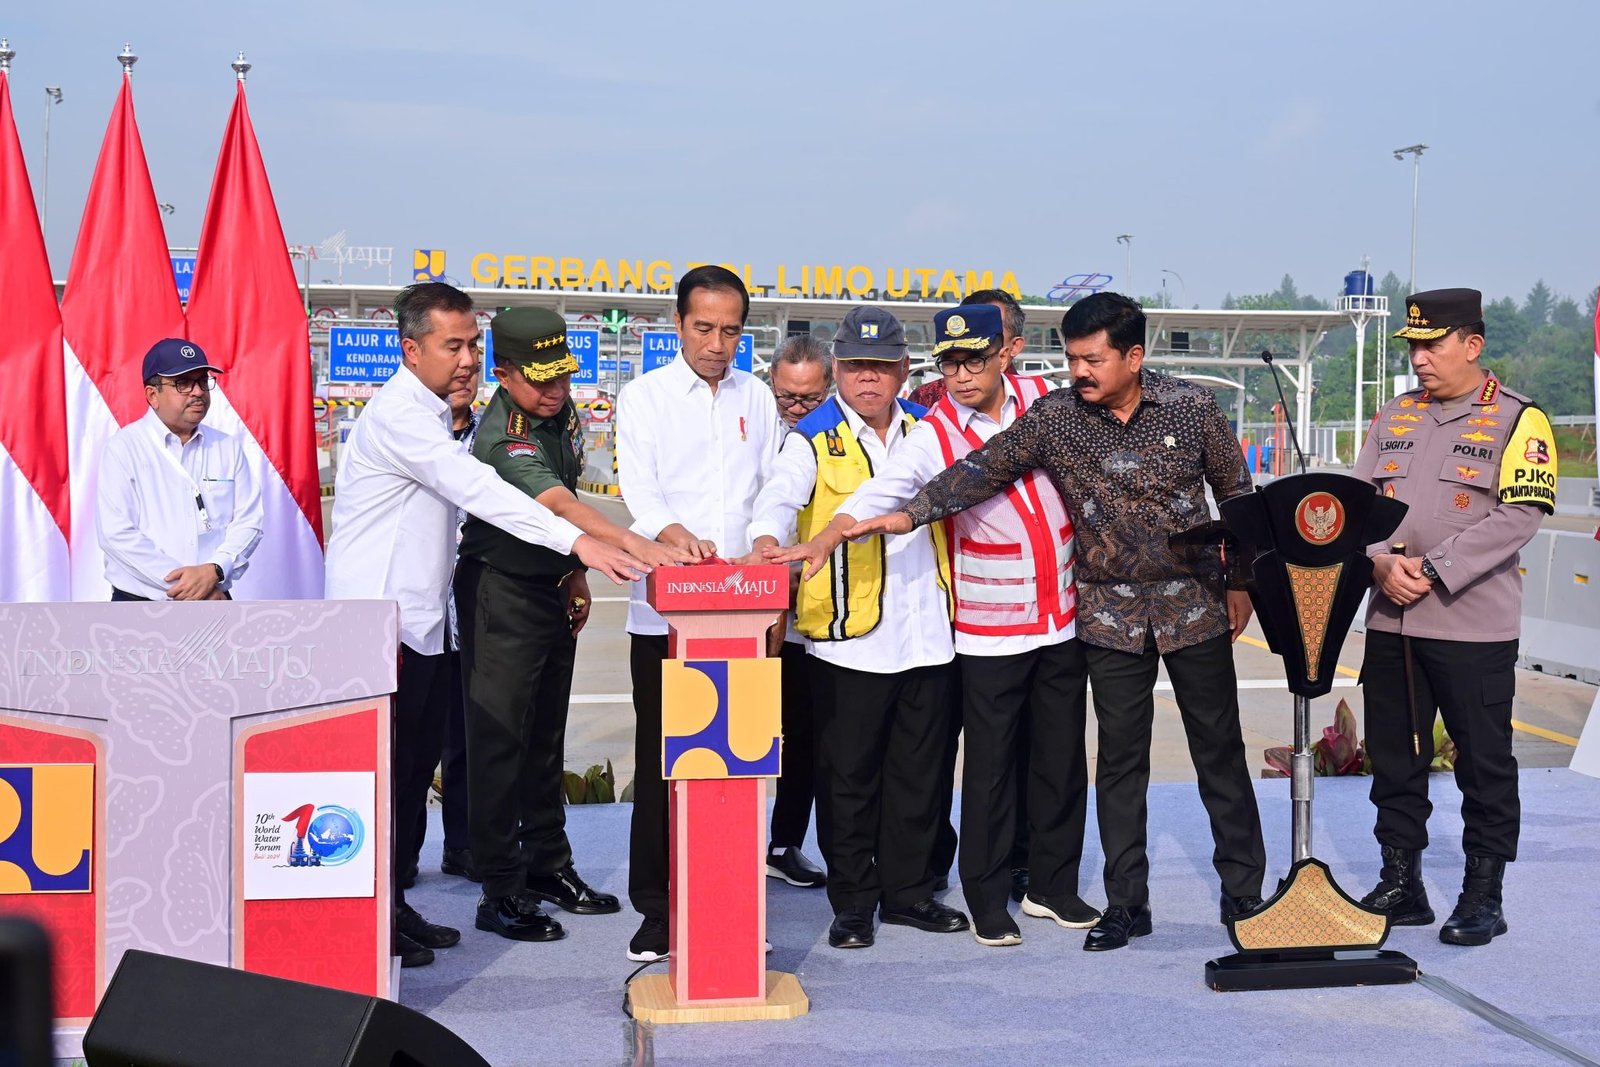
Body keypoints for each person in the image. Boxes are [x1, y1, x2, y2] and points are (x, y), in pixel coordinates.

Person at [846, 292, 1267, 951]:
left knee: (1219, 753)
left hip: (1195, 610)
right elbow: (981, 472)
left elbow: (1238, 494)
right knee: (1120, 763)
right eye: (1071, 358)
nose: (1079, 371)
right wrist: (901, 516)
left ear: (1133, 356)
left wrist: (1241, 582)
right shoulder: (1058, 417)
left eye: (1092, 359)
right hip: (1108, 617)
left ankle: (1243, 892)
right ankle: (1128, 902)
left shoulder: (1193, 407)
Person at [325, 282, 647, 969]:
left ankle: (392, 906)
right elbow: (480, 491)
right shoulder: (401, 418)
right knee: (390, 777)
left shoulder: (443, 413)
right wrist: (579, 543)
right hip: (381, 627)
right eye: (454, 345)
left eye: (474, 343)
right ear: (411, 350)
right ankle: (376, 911)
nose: (468, 358)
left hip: (422, 621)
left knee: (413, 774)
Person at [816, 304, 1097, 947]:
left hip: (1059, 614)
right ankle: (987, 895)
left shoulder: (1044, 401)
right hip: (988, 624)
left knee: (1059, 762)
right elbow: (883, 493)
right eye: (949, 363)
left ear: (1008, 353)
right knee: (990, 769)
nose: (962, 374)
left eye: (974, 359)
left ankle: (1052, 885)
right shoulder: (934, 430)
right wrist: (829, 536)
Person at [456, 308, 691, 943]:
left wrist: (575, 576)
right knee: (500, 745)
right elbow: (559, 503)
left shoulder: (559, 412)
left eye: (563, 375)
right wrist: (638, 544)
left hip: (552, 587)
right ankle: (500, 890)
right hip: (499, 595)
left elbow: (564, 498)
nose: (556, 390)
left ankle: (549, 868)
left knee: (544, 741)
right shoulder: (502, 435)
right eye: (541, 380)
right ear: (502, 373)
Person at [755, 305, 967, 951]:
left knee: (920, 775)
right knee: (847, 778)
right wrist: (767, 541)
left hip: (928, 631)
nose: (868, 380)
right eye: (856, 367)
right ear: (837, 371)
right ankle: (852, 903)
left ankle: (907, 894)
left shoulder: (930, 429)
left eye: (881, 366)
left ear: (904, 370)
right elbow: (780, 497)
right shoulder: (812, 436)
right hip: (850, 637)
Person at [1352, 288, 1557, 946]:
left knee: (1484, 762)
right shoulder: (1394, 415)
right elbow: (1357, 503)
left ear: (1473, 344)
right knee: (1395, 759)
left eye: (1432, 344)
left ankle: (1483, 892)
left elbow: (1518, 517)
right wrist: (1380, 563)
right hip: (1392, 621)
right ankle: (1401, 880)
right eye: (1412, 345)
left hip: (1472, 626)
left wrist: (1433, 570)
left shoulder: (1520, 420)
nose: (1419, 358)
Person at [615, 266, 781, 962]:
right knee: (666, 766)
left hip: (743, 620)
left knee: (739, 761)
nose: (718, 343)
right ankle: (657, 911)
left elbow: (774, 484)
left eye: (731, 330)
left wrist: (770, 534)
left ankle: (733, 900)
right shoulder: (644, 396)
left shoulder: (760, 396)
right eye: (704, 327)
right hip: (666, 617)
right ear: (679, 324)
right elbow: (637, 486)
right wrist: (667, 532)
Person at [96, 339, 263, 602]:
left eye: (202, 381)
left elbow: (249, 522)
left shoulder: (226, 447)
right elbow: (116, 534)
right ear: (152, 395)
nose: (197, 391)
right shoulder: (124, 448)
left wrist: (214, 571)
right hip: (141, 605)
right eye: (182, 383)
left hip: (214, 597)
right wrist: (189, 587)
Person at [761, 335, 832, 890]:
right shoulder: (756, 430)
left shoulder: (837, 437)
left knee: (808, 735)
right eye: (787, 397)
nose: (797, 409)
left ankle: (785, 842)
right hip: (752, 607)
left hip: (815, 612)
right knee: (754, 733)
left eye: (809, 399)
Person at [434, 368, 481, 886]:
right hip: (421, 607)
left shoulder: (492, 434)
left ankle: (463, 845)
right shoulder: (410, 430)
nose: (459, 377)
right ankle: (398, 858)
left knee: (469, 735)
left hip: (473, 602)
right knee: (418, 737)